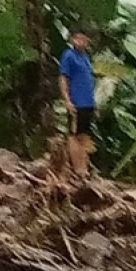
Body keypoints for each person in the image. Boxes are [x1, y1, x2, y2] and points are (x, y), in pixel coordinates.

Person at [58, 30, 97, 180]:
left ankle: (85, 167)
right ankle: (77, 169)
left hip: (88, 102)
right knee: (74, 135)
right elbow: (63, 78)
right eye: (78, 38)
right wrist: (67, 100)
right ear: (73, 40)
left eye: (84, 39)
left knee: (84, 135)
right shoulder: (69, 56)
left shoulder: (86, 58)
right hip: (77, 101)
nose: (81, 41)